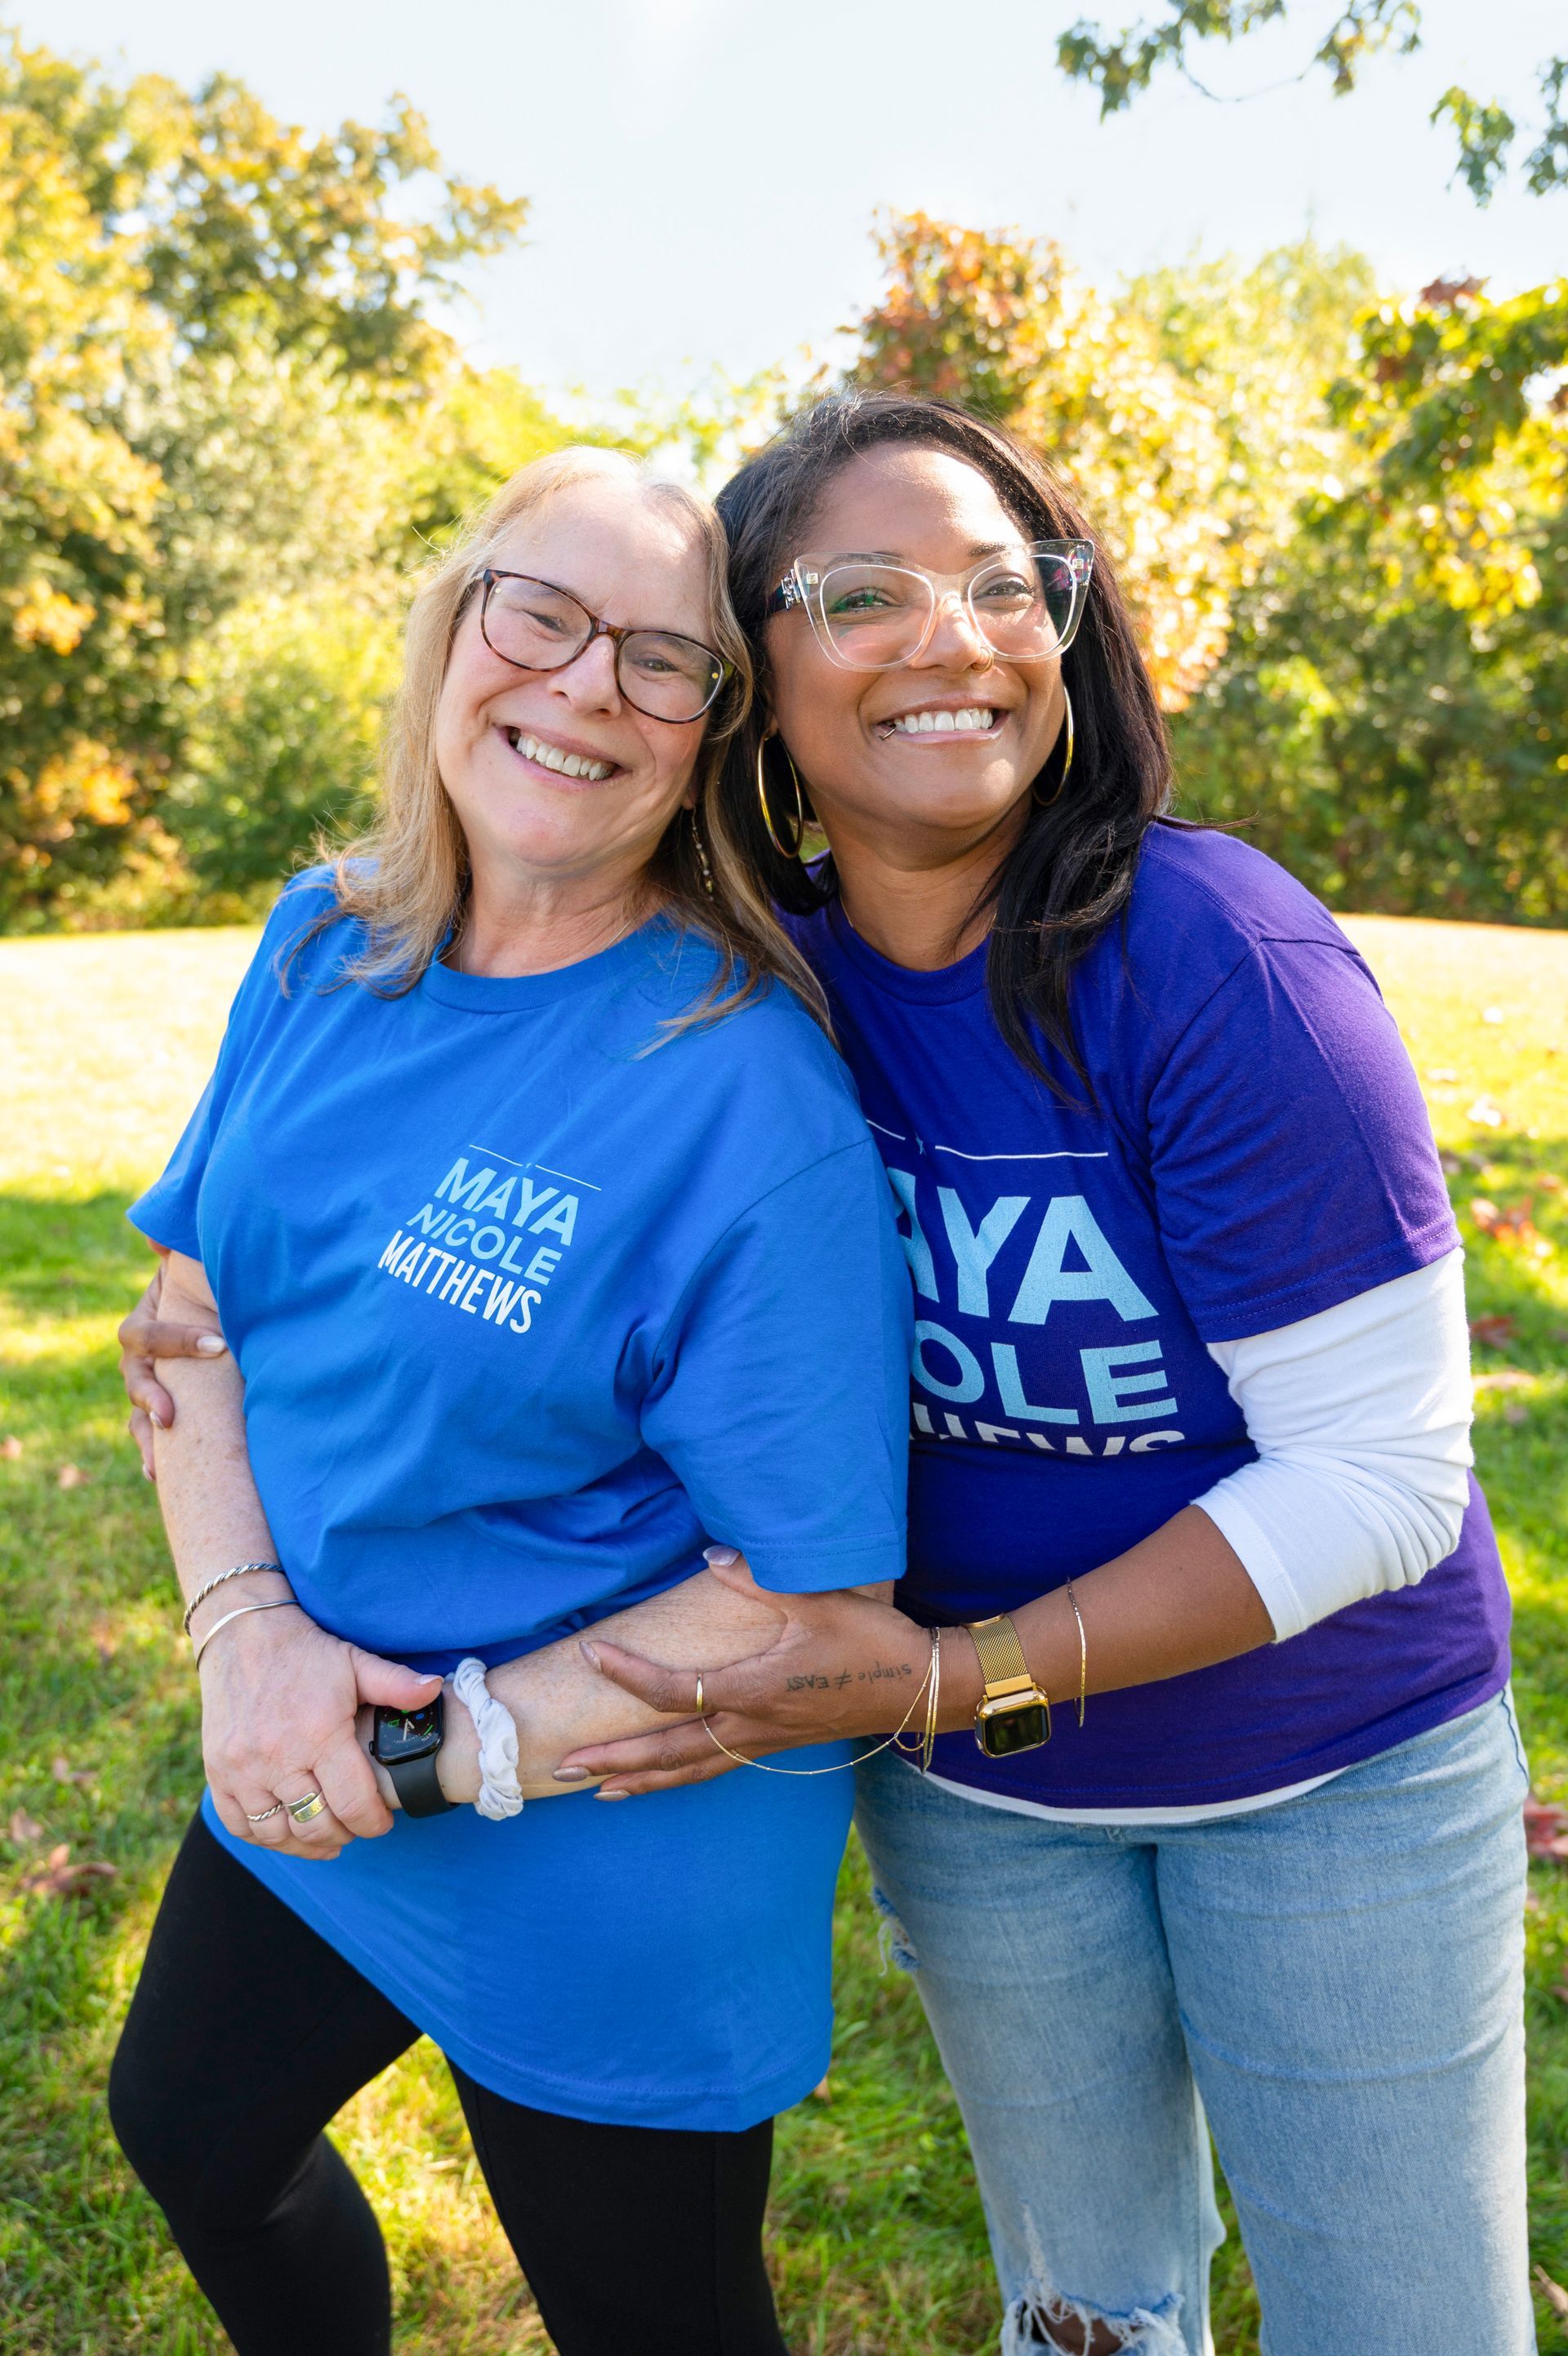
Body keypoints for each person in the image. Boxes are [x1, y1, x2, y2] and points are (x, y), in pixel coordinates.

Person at [533, 394, 1533, 2356]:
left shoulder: (1222, 960)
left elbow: (1386, 1475)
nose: (953, 635)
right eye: (863, 594)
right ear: (756, 676)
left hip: (1323, 1773)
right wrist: (227, 1297)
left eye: (1008, 584)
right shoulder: (749, 997)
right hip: (990, 1810)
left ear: (1070, 641)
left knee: (1398, 2325)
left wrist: (949, 1676)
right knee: (1089, 2321)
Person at [106, 445, 911, 2356]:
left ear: (711, 736)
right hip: (311, 1723)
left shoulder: (742, 1096)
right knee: (191, 2137)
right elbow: (185, 1317)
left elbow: (808, 1610)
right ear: (447, 627)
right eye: (535, 614)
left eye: (658, 660)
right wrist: (246, 1640)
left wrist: (410, 1751)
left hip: (608, 1835)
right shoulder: (326, 937)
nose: (578, 690)